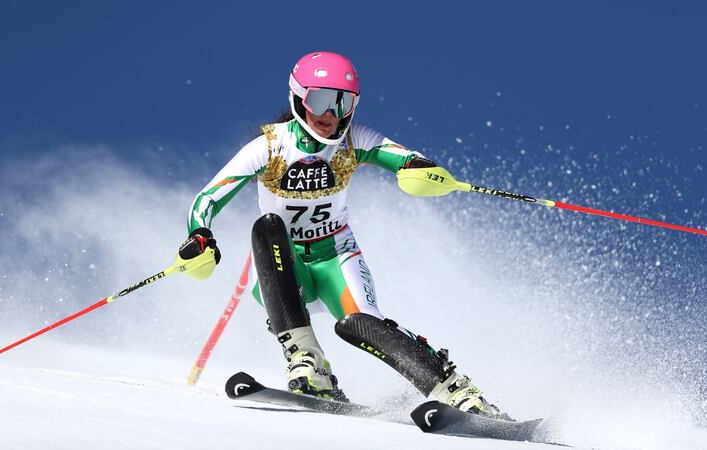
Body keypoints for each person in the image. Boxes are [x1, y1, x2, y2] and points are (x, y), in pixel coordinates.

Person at [176, 51, 508, 418]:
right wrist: (200, 235)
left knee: (360, 324)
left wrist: (420, 169)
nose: (330, 114)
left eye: (342, 102)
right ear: (298, 98)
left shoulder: (354, 140)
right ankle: (308, 363)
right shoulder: (270, 146)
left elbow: (401, 156)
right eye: (320, 99)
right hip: (283, 261)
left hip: (336, 254)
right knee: (267, 227)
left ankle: (455, 390)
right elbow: (208, 198)